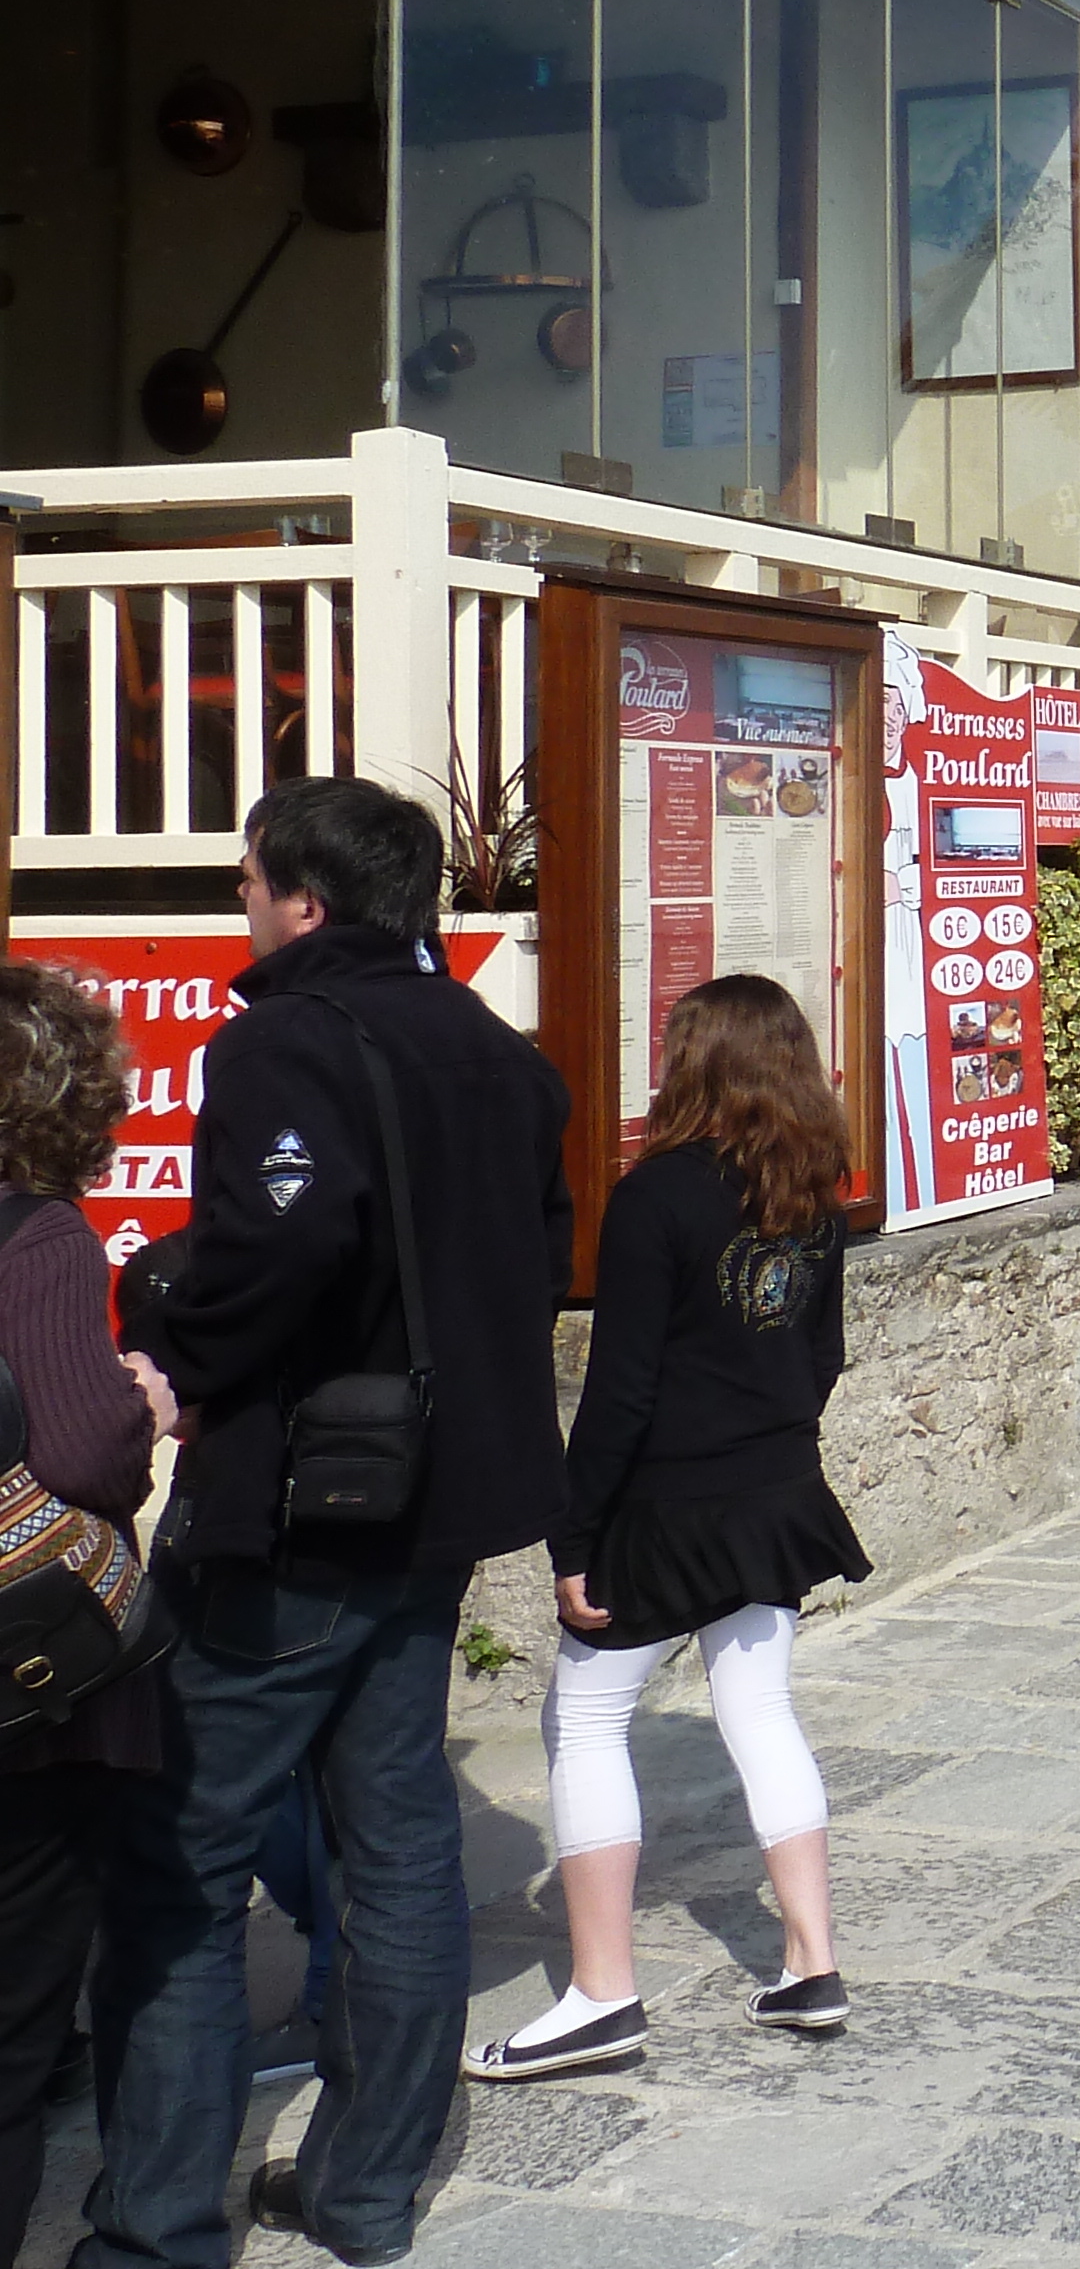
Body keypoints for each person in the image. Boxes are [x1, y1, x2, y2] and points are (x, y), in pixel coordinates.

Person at [83, 775, 575, 2269]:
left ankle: (158, 2228)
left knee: (180, 1852)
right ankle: (365, 2192)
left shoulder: (286, 1036)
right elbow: (534, 1261)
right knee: (400, 1838)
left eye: (244, 885)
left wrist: (172, 1316)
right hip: (441, 1501)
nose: (241, 908)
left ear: (301, 897)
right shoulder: (499, 1052)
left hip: (303, 1509)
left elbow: (290, 1239)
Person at [468, 975, 871, 2084]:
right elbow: (822, 1353)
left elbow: (620, 1391)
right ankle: (811, 1961)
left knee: (585, 1718)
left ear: (695, 1064)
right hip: (777, 1491)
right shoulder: (812, 1189)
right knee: (760, 1708)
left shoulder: (657, 1198)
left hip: (666, 1504)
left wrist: (574, 1536)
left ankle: (602, 1994)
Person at [0, 968, 174, 2258]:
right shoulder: (40, 1237)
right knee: (12, 2041)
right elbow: (86, 1459)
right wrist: (147, 1407)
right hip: (23, 1698)